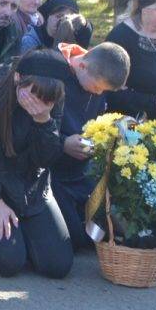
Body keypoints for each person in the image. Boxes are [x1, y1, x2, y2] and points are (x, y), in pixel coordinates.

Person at [0, 52, 73, 280]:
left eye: (45, 99)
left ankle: (26, 234)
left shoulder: (54, 95)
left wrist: (43, 122)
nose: (36, 102)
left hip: (32, 187)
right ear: (18, 77)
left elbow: (47, 158)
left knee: (57, 266)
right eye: (32, 94)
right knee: (7, 262)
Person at [46, 42, 131, 249]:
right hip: (51, 172)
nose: (98, 94)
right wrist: (62, 143)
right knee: (76, 239)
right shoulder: (51, 71)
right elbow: (30, 128)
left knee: (100, 233)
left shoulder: (94, 76)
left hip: (82, 171)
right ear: (82, 66)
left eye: (104, 91)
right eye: (96, 88)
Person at [22, 0, 92, 51]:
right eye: (58, 16)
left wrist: (84, 24)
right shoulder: (31, 41)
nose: (63, 20)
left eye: (70, 17)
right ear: (47, 17)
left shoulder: (74, 35)